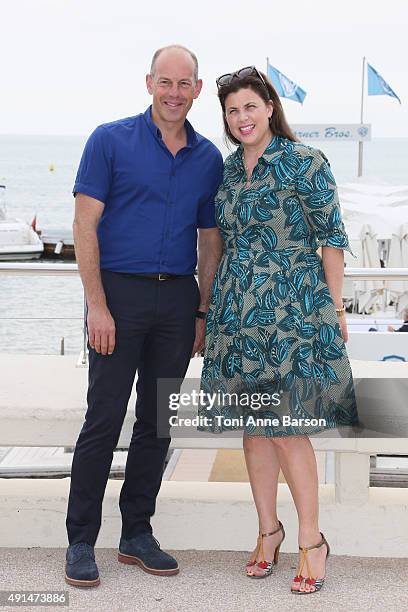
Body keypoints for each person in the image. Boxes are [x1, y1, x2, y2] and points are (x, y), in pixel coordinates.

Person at [65, 45, 223, 588]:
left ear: (197, 89)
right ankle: (81, 540)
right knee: (103, 420)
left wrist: (202, 307)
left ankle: (136, 534)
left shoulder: (208, 158)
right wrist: (97, 304)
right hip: (118, 298)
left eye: (185, 83)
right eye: (165, 81)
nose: (174, 92)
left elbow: (209, 239)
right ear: (149, 82)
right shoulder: (109, 141)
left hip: (177, 304)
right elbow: (84, 227)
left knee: (156, 424)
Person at [198, 66, 359, 594]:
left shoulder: (304, 163)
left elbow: (332, 239)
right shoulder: (224, 171)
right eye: (231, 110)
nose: (241, 117)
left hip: (294, 314)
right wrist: (208, 311)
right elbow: (216, 243)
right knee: (253, 428)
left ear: (269, 107)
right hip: (235, 314)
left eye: (249, 106)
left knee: (290, 427)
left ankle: (311, 540)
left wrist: (335, 311)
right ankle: (268, 530)